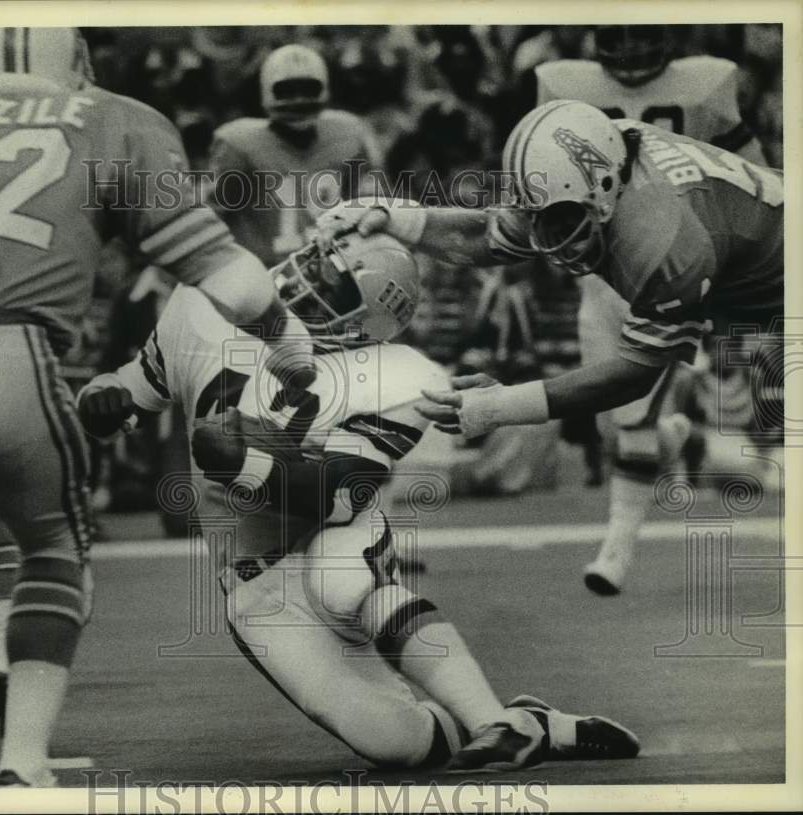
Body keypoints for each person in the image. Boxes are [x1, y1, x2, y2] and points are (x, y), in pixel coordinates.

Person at [0, 26, 315, 787]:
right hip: (10, 356)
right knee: (54, 554)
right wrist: (287, 341)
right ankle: (23, 762)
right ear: (75, 68)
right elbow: (234, 281)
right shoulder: (115, 120)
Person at [76, 233, 639, 771]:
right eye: (320, 264)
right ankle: (534, 723)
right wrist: (103, 397)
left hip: (328, 531)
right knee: (401, 745)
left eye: (336, 288)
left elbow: (343, 495)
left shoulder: (397, 378)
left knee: (342, 582)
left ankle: (494, 722)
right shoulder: (204, 301)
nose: (308, 283)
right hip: (254, 579)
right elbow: (134, 388)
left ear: (365, 332)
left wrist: (248, 464)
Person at [314, 100, 782, 520]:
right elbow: (492, 236)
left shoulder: (662, 237)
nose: (545, 234)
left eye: (558, 218)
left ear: (603, 189)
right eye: (536, 215)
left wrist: (500, 405)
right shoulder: (592, 166)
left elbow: (633, 374)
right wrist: (397, 217)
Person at [533, 24, 771, 593]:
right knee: (612, 428)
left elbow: (753, 175)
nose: (633, 50)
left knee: (633, 423)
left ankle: (615, 551)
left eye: (644, 35)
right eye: (621, 36)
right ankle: (679, 439)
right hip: (601, 280)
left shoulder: (707, 82)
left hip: (677, 263)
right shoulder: (560, 83)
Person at [209, 43, 382, 269]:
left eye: (308, 89)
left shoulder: (348, 134)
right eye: (287, 90)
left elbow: (367, 206)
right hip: (264, 274)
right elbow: (210, 219)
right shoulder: (238, 144)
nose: (299, 99)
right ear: (267, 90)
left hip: (332, 269)